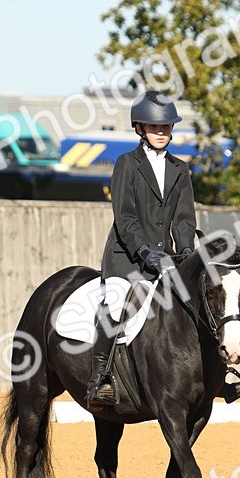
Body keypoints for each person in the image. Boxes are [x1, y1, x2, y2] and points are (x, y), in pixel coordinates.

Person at [86, 90, 195, 408]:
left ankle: (217, 375)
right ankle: (100, 377)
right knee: (115, 301)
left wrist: (186, 251)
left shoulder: (180, 169)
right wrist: (145, 252)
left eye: (165, 127)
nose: (161, 132)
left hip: (166, 259)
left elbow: (184, 220)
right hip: (127, 258)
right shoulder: (126, 164)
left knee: (199, 300)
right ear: (140, 128)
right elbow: (125, 218)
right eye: (154, 127)